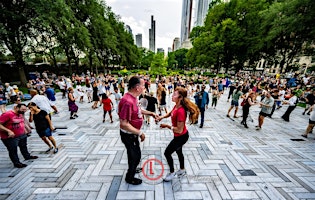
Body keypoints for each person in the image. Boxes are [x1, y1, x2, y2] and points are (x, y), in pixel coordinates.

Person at [118, 76, 157, 185]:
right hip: (129, 135)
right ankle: (129, 177)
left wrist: (151, 113)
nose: (145, 87)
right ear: (137, 87)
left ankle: (133, 168)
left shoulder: (134, 97)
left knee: (135, 154)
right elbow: (124, 124)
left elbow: (138, 110)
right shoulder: (127, 101)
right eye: (143, 85)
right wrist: (140, 133)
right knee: (135, 156)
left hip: (133, 134)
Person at [158, 87, 199, 181]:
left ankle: (172, 173)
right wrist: (161, 117)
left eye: (174, 95)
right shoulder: (176, 105)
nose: (172, 96)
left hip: (181, 137)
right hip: (179, 136)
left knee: (167, 153)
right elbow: (170, 113)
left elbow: (179, 130)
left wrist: (167, 126)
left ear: (180, 97)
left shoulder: (181, 111)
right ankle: (182, 169)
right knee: (178, 151)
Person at [0, 103, 38, 168]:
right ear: (17, 108)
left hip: (21, 134)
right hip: (10, 137)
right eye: (22, 109)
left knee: (23, 146)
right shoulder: (7, 114)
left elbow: (22, 122)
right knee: (13, 150)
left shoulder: (20, 114)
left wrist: (26, 129)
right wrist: (8, 131)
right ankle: (17, 163)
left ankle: (27, 156)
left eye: (25, 110)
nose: (24, 111)